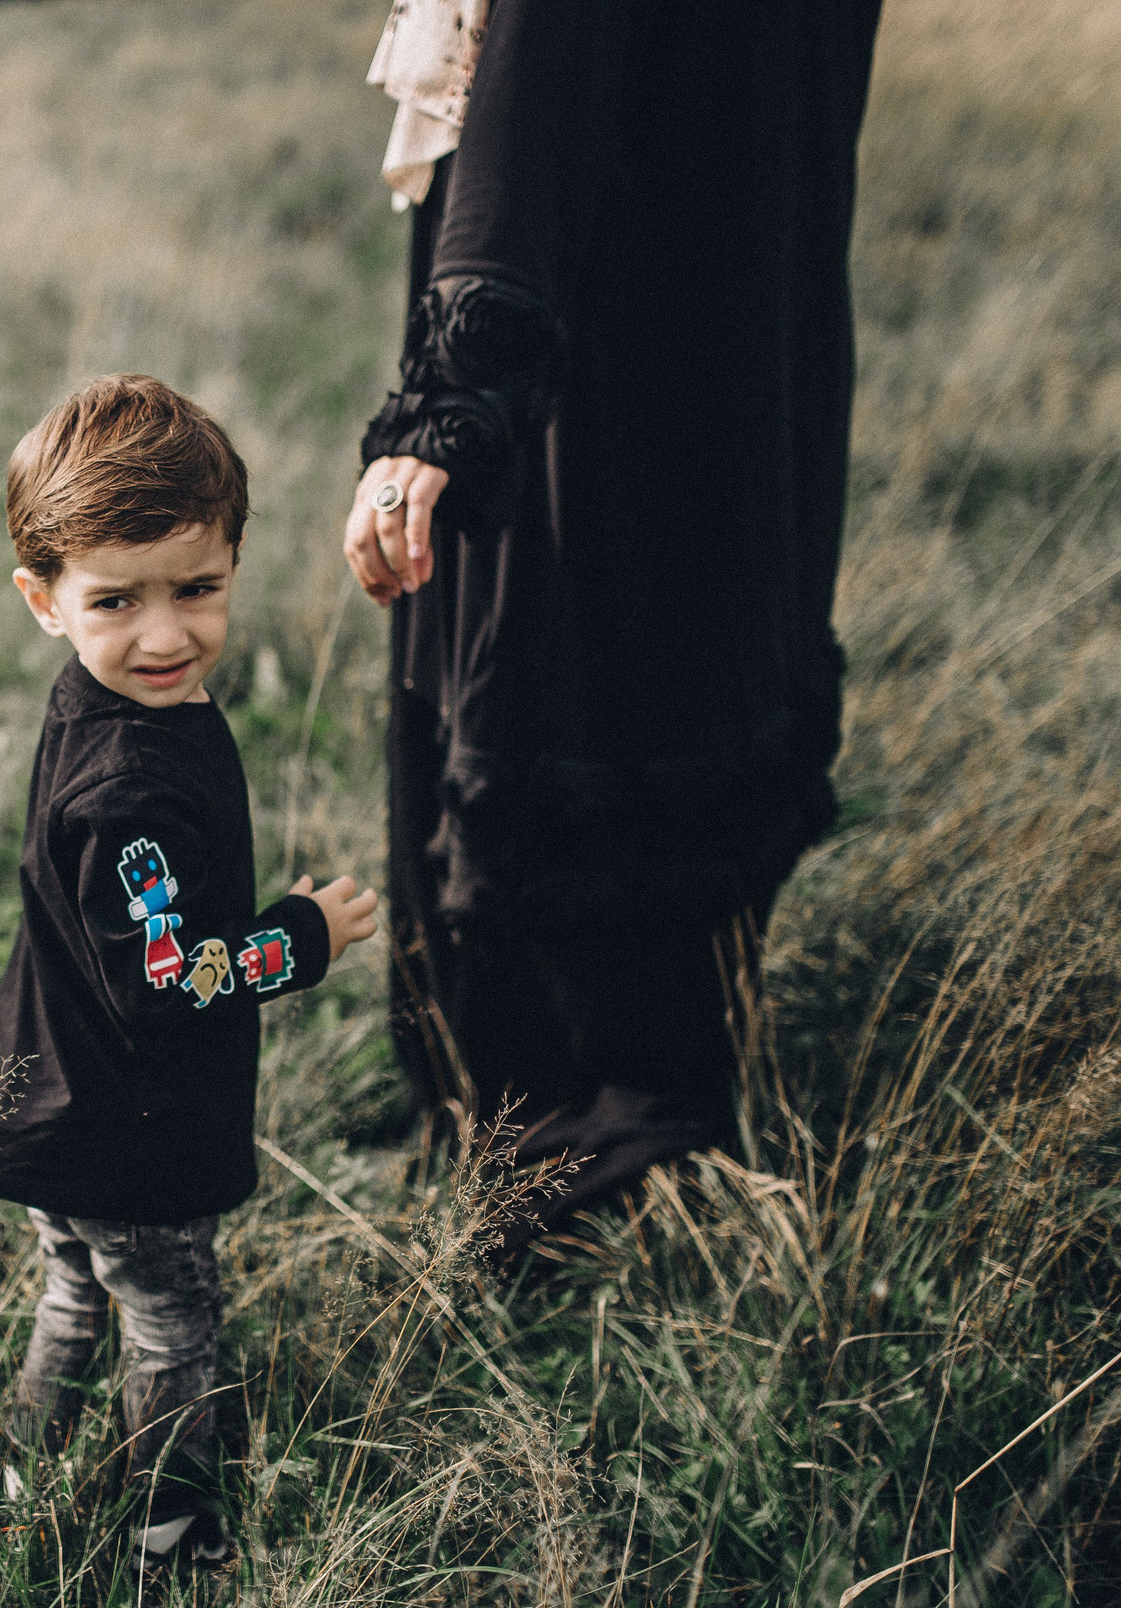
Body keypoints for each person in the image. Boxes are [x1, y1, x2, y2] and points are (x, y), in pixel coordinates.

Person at [342, 0, 885, 1237]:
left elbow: (546, 82)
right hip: (741, 312)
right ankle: (639, 1112)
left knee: (574, 649)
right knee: (698, 629)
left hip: (598, 333)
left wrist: (454, 409)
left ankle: (574, 1144)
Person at [0, 374, 379, 1600]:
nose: (164, 636)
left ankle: (17, 1468)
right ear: (43, 601)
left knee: (72, 1285)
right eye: (116, 601)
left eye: (195, 589)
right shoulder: (133, 793)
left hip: (56, 1096)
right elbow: (170, 984)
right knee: (170, 1325)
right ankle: (174, 1535)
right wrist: (298, 936)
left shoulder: (104, 703)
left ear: (235, 558)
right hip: (130, 1125)